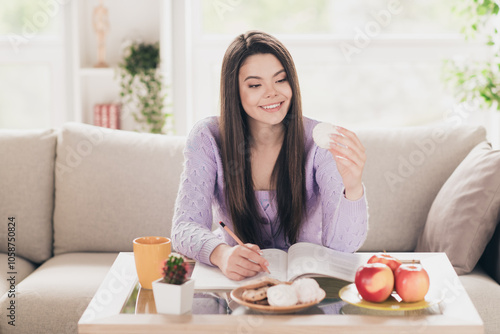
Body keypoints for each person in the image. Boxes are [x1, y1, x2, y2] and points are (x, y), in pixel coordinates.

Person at [171, 31, 368, 281]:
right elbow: (184, 226)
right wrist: (221, 255)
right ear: (234, 91)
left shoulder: (320, 144)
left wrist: (353, 188)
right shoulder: (207, 137)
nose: (272, 93)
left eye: (281, 80)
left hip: (306, 286)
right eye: (255, 85)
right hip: (236, 286)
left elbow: (344, 248)